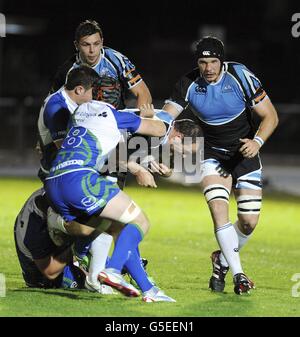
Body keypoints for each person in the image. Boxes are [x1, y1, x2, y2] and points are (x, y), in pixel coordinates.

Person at [162, 36, 279, 294]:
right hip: (211, 155)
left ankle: (222, 260)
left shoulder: (241, 76)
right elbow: (165, 117)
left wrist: (257, 141)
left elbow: (270, 116)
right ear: (198, 62)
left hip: (245, 155)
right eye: (203, 62)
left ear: (221, 61)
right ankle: (239, 275)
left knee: (248, 222)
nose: (208, 68)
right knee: (219, 210)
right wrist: (157, 128)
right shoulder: (188, 83)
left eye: (213, 61)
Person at [44, 98, 178, 302]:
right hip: (80, 179)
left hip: (53, 183)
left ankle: (150, 290)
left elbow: (112, 155)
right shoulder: (114, 116)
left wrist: (141, 163)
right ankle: (112, 270)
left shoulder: (78, 122)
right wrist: (150, 117)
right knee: (140, 221)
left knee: (114, 228)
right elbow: (159, 129)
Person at [50, 19, 152, 113]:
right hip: (84, 123)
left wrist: (138, 122)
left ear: (102, 42)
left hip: (118, 120)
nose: (92, 50)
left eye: (96, 43)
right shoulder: (67, 70)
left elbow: (143, 93)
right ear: (76, 45)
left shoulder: (116, 60)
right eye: (86, 44)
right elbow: (52, 104)